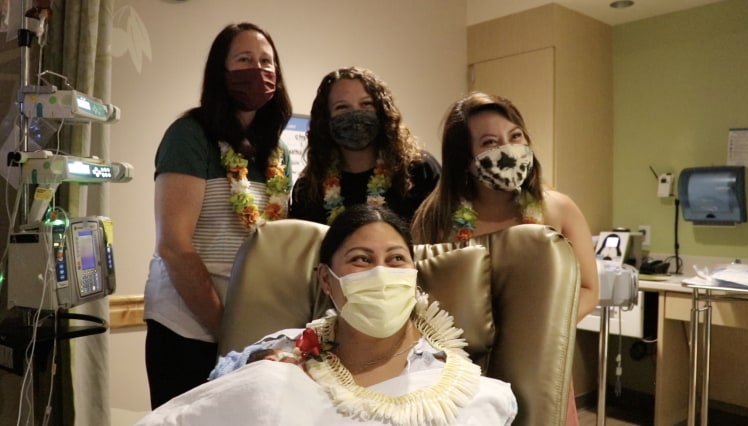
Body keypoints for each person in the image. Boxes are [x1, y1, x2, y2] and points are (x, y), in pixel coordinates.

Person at [136, 205, 517, 426]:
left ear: (413, 275)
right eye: (361, 260)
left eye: (396, 259)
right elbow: (219, 400)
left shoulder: (452, 383)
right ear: (325, 280)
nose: (381, 274)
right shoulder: (282, 349)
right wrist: (260, 368)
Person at [411, 92, 599, 426]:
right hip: (462, 371)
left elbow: (587, 288)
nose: (507, 149)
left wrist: (539, 334)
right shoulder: (436, 219)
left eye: (515, 136)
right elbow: (418, 298)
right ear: (464, 159)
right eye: (489, 142)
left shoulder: (559, 209)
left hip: (541, 365)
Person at [142, 22, 293, 409]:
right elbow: (175, 246)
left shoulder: (277, 154)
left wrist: (252, 333)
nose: (258, 70)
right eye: (244, 60)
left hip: (250, 332)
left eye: (266, 62)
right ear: (221, 72)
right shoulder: (189, 135)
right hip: (187, 329)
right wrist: (226, 329)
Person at [289, 67, 440, 225]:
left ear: (381, 112)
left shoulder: (419, 170)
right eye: (342, 107)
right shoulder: (309, 187)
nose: (355, 113)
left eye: (366, 104)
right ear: (326, 120)